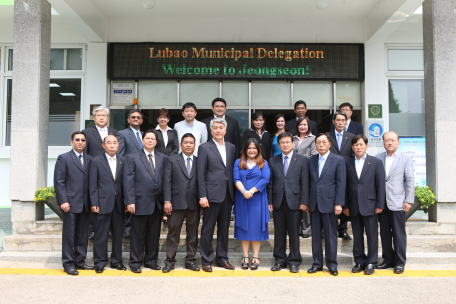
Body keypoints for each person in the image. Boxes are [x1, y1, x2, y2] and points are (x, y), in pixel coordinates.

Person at [123, 130, 168, 273]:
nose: (149, 141)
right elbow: (128, 181)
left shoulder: (163, 158)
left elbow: (166, 181)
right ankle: (135, 262)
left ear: (156, 142)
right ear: (142, 141)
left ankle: (150, 261)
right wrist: (130, 201)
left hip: (157, 203)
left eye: (152, 139)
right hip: (139, 202)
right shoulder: (132, 157)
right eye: (147, 138)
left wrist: (166, 201)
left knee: (154, 235)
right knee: (137, 234)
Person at [198, 118, 236, 272]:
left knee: (224, 229)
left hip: (227, 193)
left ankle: (222, 258)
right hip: (211, 194)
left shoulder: (231, 147)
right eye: (215, 128)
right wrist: (202, 195)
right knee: (208, 228)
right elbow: (201, 174)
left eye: (221, 127)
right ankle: (206, 259)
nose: (218, 130)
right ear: (211, 130)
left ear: (225, 130)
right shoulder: (204, 148)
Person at [343, 134, 385, 275]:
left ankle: (372, 262)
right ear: (352, 147)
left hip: (371, 205)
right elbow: (345, 186)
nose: (358, 147)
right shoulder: (347, 163)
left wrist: (380, 204)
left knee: (372, 235)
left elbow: (380, 185)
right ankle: (359, 261)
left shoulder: (376, 162)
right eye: (356, 145)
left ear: (366, 146)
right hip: (353, 205)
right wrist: (345, 205)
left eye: (361, 144)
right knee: (357, 234)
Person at [267, 132, 309, 273]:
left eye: (287, 142)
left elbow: (305, 183)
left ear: (293, 143)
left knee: (293, 233)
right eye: (282, 143)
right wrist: (270, 201)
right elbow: (270, 183)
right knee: (279, 233)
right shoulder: (273, 160)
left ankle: (294, 261)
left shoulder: (302, 160)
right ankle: (280, 260)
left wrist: (304, 202)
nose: (285, 145)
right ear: (278, 145)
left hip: (295, 202)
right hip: (278, 201)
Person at [54, 131, 94, 275]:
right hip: (69, 204)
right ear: (72, 142)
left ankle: (80, 261)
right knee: (69, 235)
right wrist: (63, 201)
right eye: (77, 140)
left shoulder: (89, 159)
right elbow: (59, 182)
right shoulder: (63, 158)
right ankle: (68, 263)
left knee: (83, 234)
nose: (80, 142)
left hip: (85, 204)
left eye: (83, 140)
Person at [306, 133, 346, 276]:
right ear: (315, 145)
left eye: (323, 142)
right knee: (315, 236)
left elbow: (341, 184)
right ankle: (317, 263)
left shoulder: (338, 160)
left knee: (330, 235)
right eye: (318, 143)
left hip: (330, 204)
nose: (321, 145)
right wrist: (306, 202)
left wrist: (339, 204)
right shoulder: (311, 160)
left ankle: (332, 265)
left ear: (329, 143)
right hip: (314, 204)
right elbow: (308, 183)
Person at [375, 131, 414, 274]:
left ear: (398, 142)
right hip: (382, 202)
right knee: (384, 233)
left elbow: (409, 180)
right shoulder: (378, 158)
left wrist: (408, 200)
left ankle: (399, 262)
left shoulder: (406, 158)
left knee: (398, 234)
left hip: (398, 201)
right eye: (387, 140)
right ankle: (388, 260)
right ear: (383, 142)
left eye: (392, 140)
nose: (389, 143)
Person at [162, 133, 201, 273]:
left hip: (194, 203)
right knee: (173, 234)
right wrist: (167, 201)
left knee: (193, 235)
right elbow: (167, 182)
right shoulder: (172, 160)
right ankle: (169, 262)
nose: (188, 145)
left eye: (191, 142)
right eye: (186, 142)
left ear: (195, 145)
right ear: (181, 145)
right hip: (176, 203)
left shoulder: (199, 160)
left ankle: (190, 261)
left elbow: (201, 182)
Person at [89, 135, 126, 273]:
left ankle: (117, 261)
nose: (112, 145)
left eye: (114, 143)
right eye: (108, 143)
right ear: (103, 145)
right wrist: (94, 202)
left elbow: (126, 184)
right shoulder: (96, 161)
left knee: (118, 235)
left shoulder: (123, 160)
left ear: (118, 145)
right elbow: (92, 184)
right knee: (100, 235)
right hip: (102, 203)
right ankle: (99, 262)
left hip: (118, 204)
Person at [233, 138, 271, 270]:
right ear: (245, 149)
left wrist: (252, 191)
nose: (252, 150)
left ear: (258, 149)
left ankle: (255, 256)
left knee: (255, 228)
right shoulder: (238, 162)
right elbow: (236, 178)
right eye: (249, 148)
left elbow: (265, 179)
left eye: (254, 148)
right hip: (242, 198)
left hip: (258, 199)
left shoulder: (263, 163)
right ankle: (245, 256)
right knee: (244, 228)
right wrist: (244, 191)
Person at [83, 106, 118, 240]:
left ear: (108, 118)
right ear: (94, 118)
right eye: (99, 115)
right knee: (95, 199)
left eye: (104, 115)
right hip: (94, 170)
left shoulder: (114, 132)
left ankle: (110, 229)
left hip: (111, 172)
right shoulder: (86, 132)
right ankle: (92, 230)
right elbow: (85, 154)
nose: (102, 117)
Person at [326, 111, 354, 241]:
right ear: (333, 121)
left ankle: (342, 229)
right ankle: (326, 228)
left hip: (346, 174)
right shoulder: (327, 137)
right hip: (329, 174)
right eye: (338, 120)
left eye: (343, 120)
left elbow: (354, 156)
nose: (340, 122)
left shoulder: (351, 137)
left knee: (344, 201)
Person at [117, 109, 144, 238]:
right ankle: (126, 229)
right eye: (133, 117)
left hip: (143, 174)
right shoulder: (122, 134)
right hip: (128, 172)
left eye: (138, 117)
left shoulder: (145, 135)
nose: (135, 119)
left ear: (142, 120)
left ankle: (136, 227)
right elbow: (120, 155)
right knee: (128, 200)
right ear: (128, 120)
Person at [293, 116, 318, 239]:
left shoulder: (313, 139)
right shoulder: (292, 139)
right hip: (293, 173)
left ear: (309, 126)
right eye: (300, 124)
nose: (302, 127)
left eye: (305, 124)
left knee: (306, 200)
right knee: (296, 200)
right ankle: (296, 228)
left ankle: (307, 230)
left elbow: (314, 155)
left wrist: (300, 163)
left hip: (307, 172)